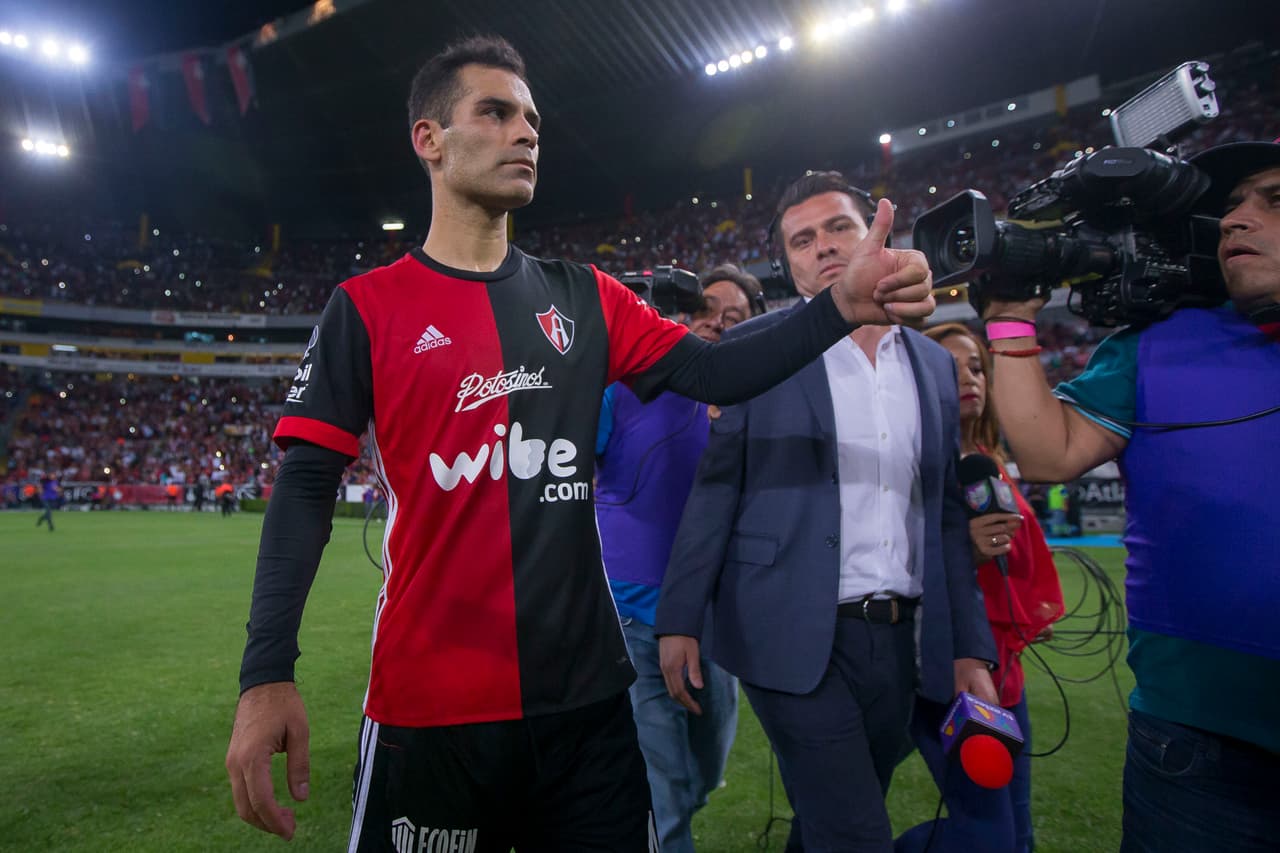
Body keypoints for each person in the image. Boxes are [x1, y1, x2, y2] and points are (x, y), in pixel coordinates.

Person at [224, 37, 938, 853]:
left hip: (590, 708)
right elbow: (304, 487)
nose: (524, 132)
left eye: (530, 119)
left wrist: (837, 306)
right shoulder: (365, 308)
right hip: (430, 703)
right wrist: (265, 673)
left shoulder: (586, 298)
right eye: (494, 113)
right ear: (429, 139)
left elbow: (715, 370)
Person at [655, 171, 996, 853]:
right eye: (802, 240)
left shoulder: (931, 363)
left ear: (877, 232)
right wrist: (679, 617)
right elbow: (716, 483)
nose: (823, 247)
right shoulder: (756, 348)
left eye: (839, 226)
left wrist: (969, 647)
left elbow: (946, 516)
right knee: (858, 833)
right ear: (788, 262)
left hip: (898, 640)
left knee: (830, 817)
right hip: (784, 629)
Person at [976, 140, 1280, 852]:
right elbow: (1049, 451)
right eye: (1231, 203)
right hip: (1196, 743)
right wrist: (1012, 313)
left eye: (1273, 201)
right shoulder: (1156, 342)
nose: (1238, 218)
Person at [595, 264, 763, 853]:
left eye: (735, 316)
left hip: (719, 621)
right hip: (636, 617)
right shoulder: (621, 388)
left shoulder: (758, 401)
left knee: (705, 766)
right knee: (662, 787)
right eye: (706, 309)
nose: (716, 322)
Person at [895, 323, 1065, 853]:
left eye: (975, 367)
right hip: (946, 670)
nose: (969, 378)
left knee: (1018, 836)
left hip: (1004, 676)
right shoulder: (910, 465)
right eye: (951, 368)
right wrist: (963, 549)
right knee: (987, 837)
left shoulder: (986, 458)